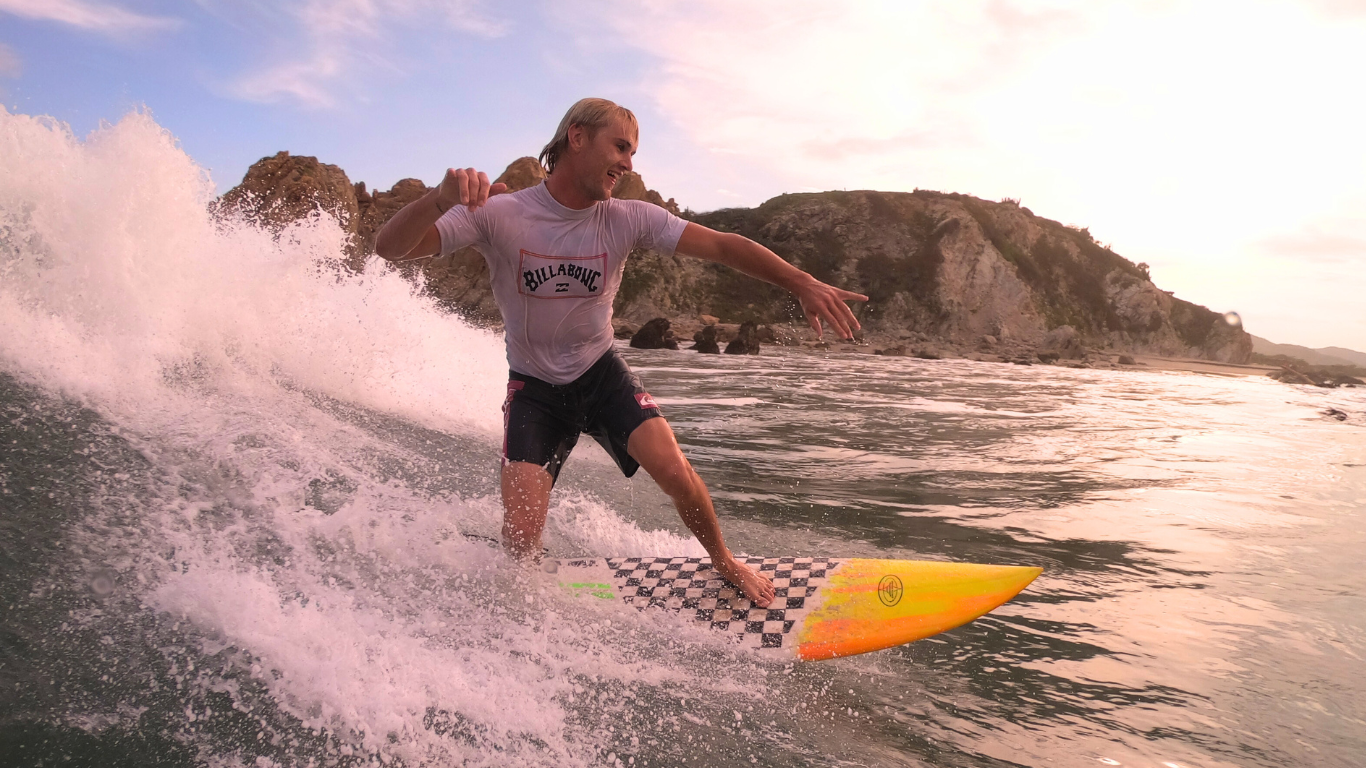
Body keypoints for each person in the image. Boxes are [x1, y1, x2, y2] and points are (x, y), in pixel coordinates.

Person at [375, 98, 866, 608]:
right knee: (520, 541)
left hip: (601, 373)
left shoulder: (626, 219)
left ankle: (724, 560)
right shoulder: (500, 214)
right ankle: (531, 606)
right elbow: (389, 249)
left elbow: (722, 245)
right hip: (534, 390)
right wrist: (438, 200)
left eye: (633, 152)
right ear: (578, 137)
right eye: (621, 147)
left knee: (676, 472)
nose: (629, 164)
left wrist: (800, 281)